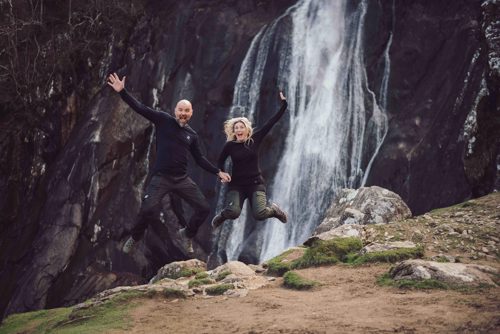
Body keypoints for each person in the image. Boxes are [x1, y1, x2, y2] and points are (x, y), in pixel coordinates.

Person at [107, 73, 231, 254]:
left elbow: (199, 159)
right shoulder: (163, 120)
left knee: (204, 208)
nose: (183, 113)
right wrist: (122, 92)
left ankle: (187, 233)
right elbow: (140, 108)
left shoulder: (192, 136)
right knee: (147, 210)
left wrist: (217, 172)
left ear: (191, 113)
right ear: (175, 111)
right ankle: (135, 237)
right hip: (161, 178)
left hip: (182, 180)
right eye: (180, 110)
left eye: (186, 111)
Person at [211, 91, 288, 229]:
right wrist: (221, 173)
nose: (239, 130)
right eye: (236, 128)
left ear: (247, 130)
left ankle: (275, 211)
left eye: (241, 127)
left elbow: (272, 122)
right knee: (233, 212)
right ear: (233, 132)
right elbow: (220, 161)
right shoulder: (230, 146)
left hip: (255, 183)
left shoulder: (255, 140)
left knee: (260, 214)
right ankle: (222, 216)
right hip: (237, 185)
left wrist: (284, 104)